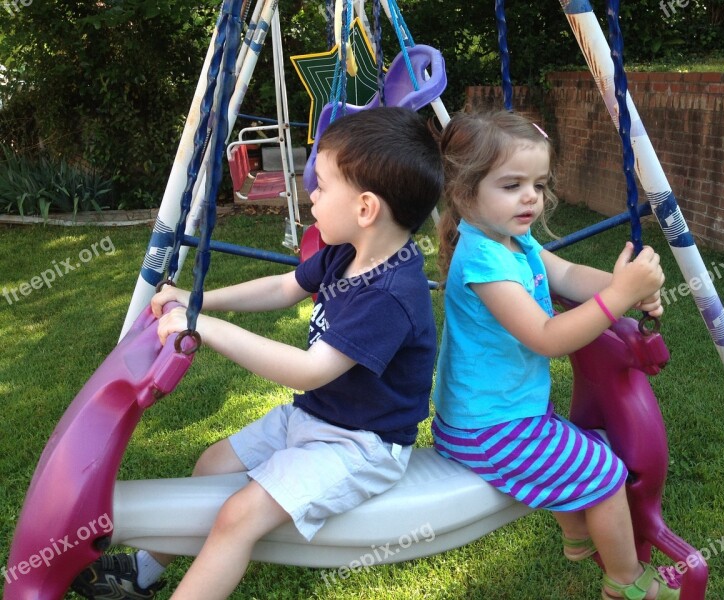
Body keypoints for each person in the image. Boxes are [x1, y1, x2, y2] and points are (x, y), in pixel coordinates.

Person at [71, 106, 443, 600]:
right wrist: (197, 300)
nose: (311, 194)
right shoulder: (346, 252)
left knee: (237, 516)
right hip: (313, 417)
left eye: (323, 185)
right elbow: (283, 288)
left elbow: (312, 371)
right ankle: (143, 574)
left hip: (360, 446)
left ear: (365, 208)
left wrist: (207, 328)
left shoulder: (389, 294)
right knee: (210, 466)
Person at [431, 110, 678, 600]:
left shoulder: (513, 241)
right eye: (512, 184)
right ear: (463, 194)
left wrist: (619, 286)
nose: (531, 197)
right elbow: (547, 337)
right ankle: (625, 584)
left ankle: (576, 534)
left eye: (538, 184)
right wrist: (620, 297)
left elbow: (565, 276)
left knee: (584, 448)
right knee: (606, 473)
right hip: (485, 429)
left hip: (505, 411)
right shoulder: (482, 260)